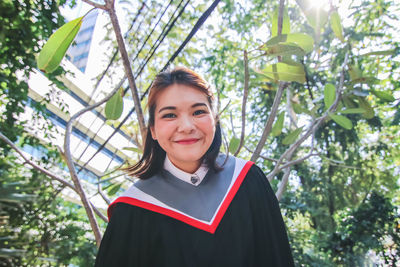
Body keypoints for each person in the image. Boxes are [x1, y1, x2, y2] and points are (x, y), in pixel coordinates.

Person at [94, 67, 294, 266]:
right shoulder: (133, 209)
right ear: (153, 130)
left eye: (198, 111)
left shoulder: (248, 180)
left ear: (214, 120)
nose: (187, 126)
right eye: (170, 115)